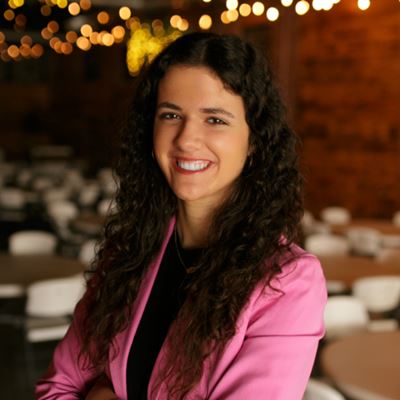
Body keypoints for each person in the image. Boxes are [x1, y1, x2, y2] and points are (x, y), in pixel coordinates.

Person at [36, 32, 326, 400]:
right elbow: (57, 387)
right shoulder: (128, 254)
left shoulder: (287, 282)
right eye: (171, 115)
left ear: (255, 140)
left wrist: (102, 393)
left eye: (215, 119)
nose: (186, 139)